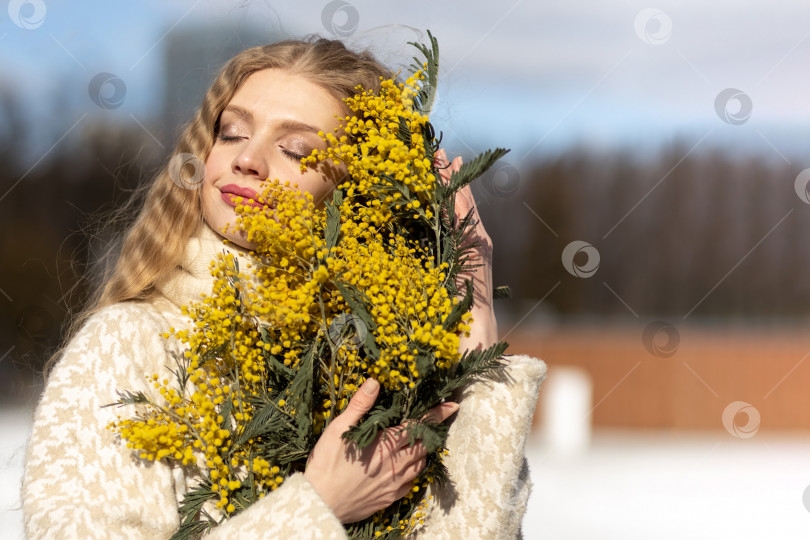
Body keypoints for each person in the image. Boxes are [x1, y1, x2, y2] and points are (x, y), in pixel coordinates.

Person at [22, 35, 547, 539]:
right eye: (231, 132)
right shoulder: (127, 344)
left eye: (297, 149)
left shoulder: (391, 363)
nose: (247, 159)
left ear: (360, 191)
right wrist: (318, 505)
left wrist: (473, 331)